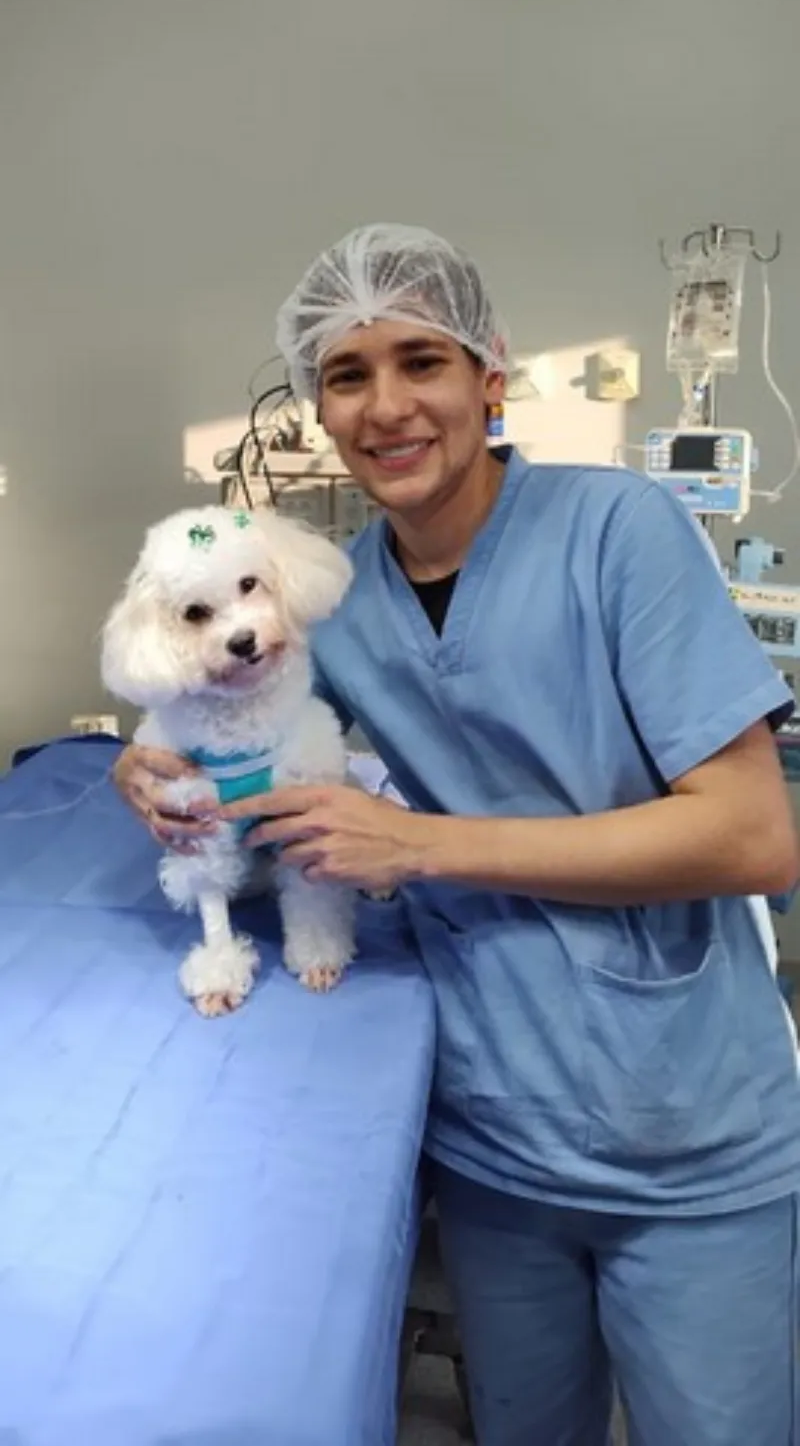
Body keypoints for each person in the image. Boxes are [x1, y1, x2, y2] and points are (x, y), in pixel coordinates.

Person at [115, 223, 800, 1446]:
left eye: (419, 360)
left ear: (490, 374)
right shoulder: (339, 599)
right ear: (319, 408)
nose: (385, 406)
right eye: (346, 374)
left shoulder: (617, 530)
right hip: (489, 1134)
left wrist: (418, 844)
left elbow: (753, 835)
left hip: (682, 1129)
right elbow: (247, 706)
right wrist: (143, 750)